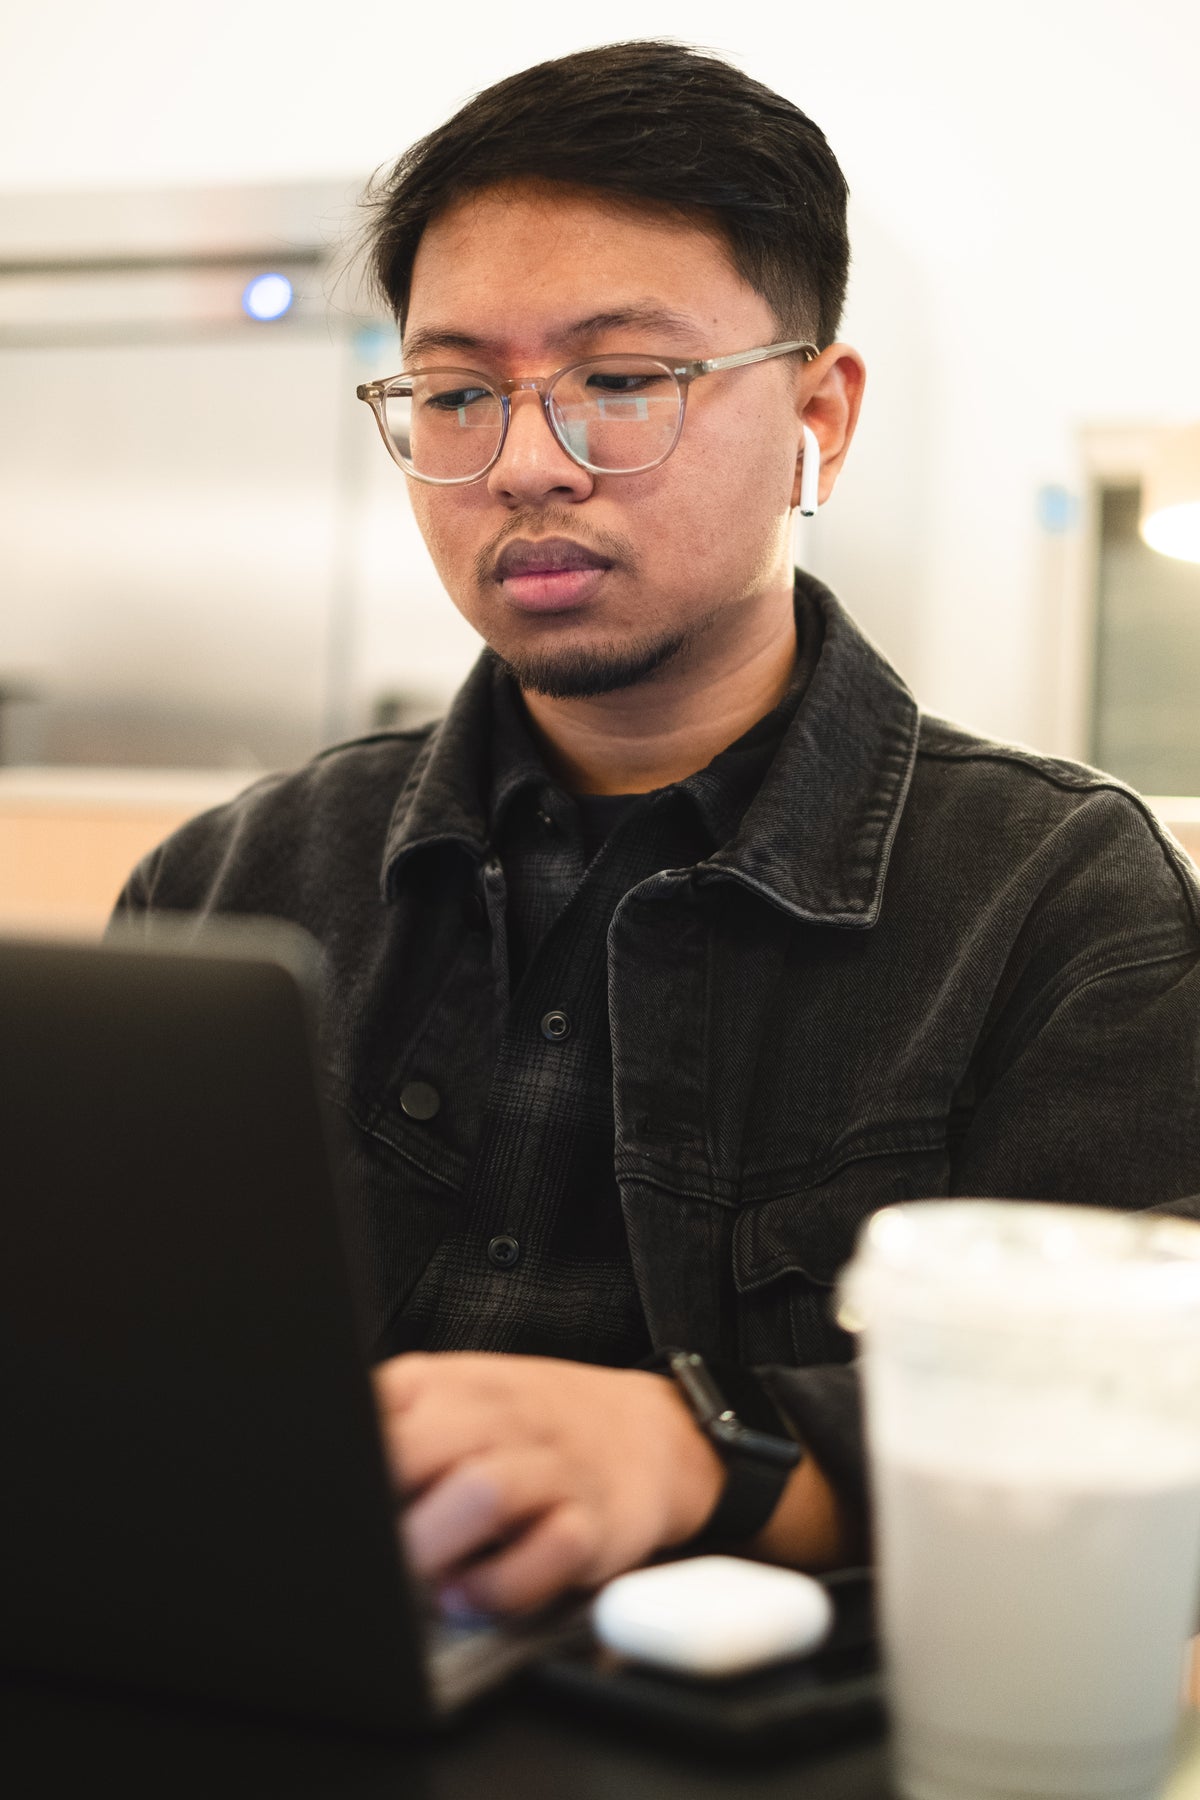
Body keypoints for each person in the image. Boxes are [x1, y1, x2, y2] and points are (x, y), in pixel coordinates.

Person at [112, 39, 1200, 1618]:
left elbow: (1141, 1409)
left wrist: (710, 1455)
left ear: (819, 413)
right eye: (456, 392)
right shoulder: (236, 878)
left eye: (622, 382)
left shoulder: (1050, 901)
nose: (528, 467)